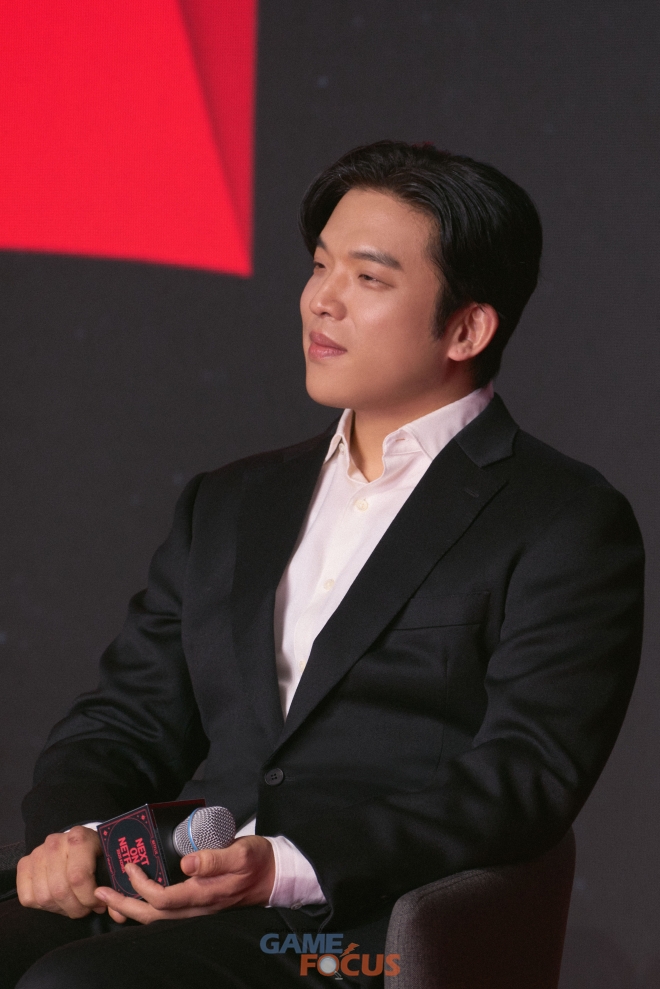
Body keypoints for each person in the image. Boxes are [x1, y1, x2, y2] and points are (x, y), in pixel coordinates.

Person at [0, 141, 644, 988]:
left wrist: (284, 865)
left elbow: (523, 776)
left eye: (368, 278)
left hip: (357, 929)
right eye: (318, 265)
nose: (321, 301)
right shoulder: (231, 500)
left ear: (467, 328)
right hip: (173, 889)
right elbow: (125, 720)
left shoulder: (563, 518)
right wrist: (79, 836)